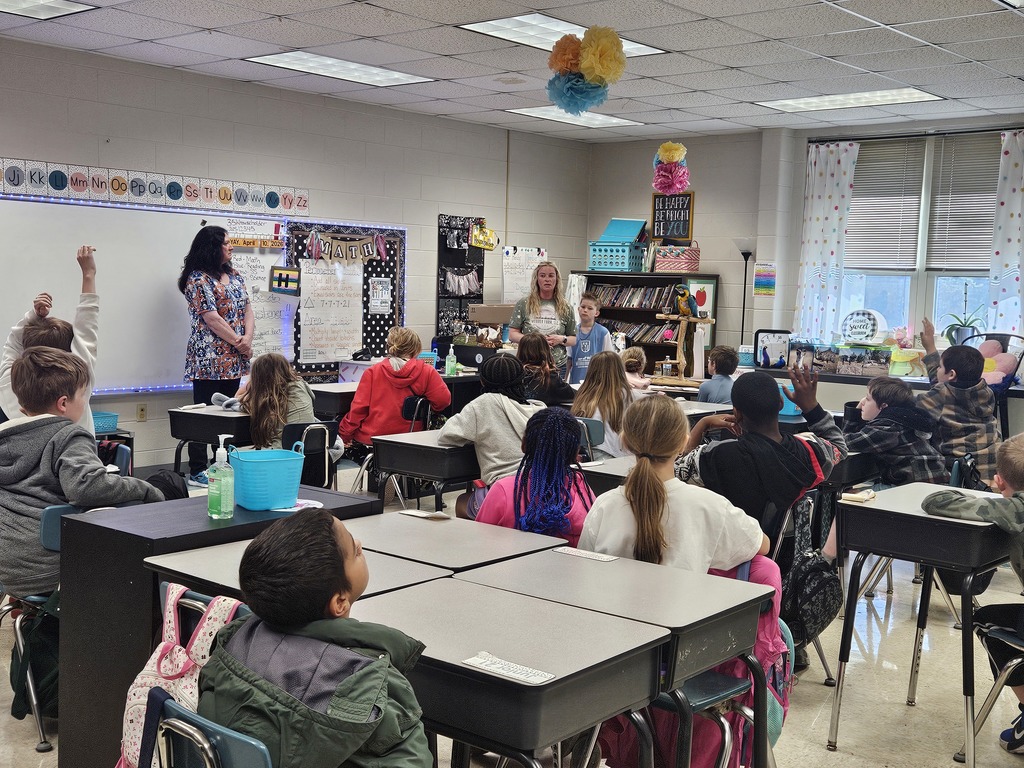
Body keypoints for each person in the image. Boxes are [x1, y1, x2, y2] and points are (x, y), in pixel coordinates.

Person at [198, 508, 431, 768]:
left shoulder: (234, 639)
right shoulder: (372, 682)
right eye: (355, 551)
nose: (361, 546)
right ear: (340, 602)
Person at [0, 347, 164, 597]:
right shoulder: (68, 435)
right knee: (141, 567)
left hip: (9, 570)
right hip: (51, 570)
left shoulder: (6, 440)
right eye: (83, 395)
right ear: (64, 403)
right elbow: (88, 488)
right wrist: (143, 487)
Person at [580, 395, 768, 569]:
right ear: (683, 443)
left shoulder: (604, 506)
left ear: (626, 442)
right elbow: (760, 544)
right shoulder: (711, 506)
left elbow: (584, 567)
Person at [922, 434, 1024, 754]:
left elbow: (936, 502)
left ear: (998, 481)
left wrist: (999, 498)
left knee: (984, 621)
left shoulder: (1015, 510)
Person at [676, 367, 847, 549]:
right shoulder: (807, 452)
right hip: (782, 561)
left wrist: (703, 424)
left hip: (727, 558)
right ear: (781, 403)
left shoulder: (717, 455)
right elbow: (839, 448)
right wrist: (811, 408)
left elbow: (676, 473)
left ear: (737, 413)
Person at [178, 226, 254, 488]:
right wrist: (239, 342)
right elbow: (211, 318)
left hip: (234, 358)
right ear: (213, 247)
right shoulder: (197, 279)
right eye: (227, 243)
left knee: (230, 412)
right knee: (204, 415)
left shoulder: (234, 275)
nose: (231, 247)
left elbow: (247, 309)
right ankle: (198, 469)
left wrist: (248, 340)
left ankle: (223, 464)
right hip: (208, 359)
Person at [1, 245, 99, 434]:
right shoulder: (77, 384)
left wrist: (33, 316)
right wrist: (89, 273)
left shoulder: (10, 384)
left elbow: (12, 343)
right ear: (69, 355)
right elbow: (88, 325)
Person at [438, 354, 544, 519]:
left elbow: (447, 435)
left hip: (503, 492)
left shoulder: (483, 404)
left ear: (482, 381)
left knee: (461, 502)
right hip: (539, 492)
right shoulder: (538, 410)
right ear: (522, 379)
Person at [476, 408, 595, 546]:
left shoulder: (504, 491)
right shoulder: (584, 493)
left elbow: (479, 543)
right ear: (576, 454)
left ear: (523, 445)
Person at [338, 327, 451, 465]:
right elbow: (443, 401)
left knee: (346, 436)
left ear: (389, 346)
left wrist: (345, 435)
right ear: (416, 348)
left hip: (373, 439)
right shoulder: (427, 372)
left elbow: (358, 410)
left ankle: (382, 477)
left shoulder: (372, 372)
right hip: (411, 437)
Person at [917, 316, 1000, 485]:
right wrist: (930, 347)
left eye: (940, 366)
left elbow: (910, 408)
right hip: (992, 466)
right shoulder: (986, 390)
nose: (938, 369)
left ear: (952, 374)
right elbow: (942, 384)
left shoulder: (941, 394)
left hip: (961, 470)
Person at [843, 376, 948, 487]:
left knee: (847, 498)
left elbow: (844, 443)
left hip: (913, 485)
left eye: (868, 399)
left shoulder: (887, 427)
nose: (862, 402)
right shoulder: (903, 417)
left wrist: (854, 414)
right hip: (929, 480)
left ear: (883, 406)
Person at [508, 261, 576, 378]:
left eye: (551, 275)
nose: (547, 279)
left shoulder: (566, 307)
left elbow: (574, 339)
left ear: (557, 279)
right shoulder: (524, 304)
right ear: (537, 279)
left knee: (555, 396)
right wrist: (535, 341)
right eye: (543, 275)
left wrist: (561, 339)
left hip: (557, 365)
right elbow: (512, 334)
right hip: (529, 364)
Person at [237, 352, 315, 449]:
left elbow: (238, 397)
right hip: (310, 448)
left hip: (281, 451)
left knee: (234, 453)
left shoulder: (268, 398)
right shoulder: (300, 386)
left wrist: (256, 378)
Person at [571, 351, 637, 460]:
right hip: (616, 457)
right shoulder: (626, 395)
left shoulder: (583, 394)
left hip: (589, 454)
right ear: (619, 371)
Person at [518, 332, 576, 406]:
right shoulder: (549, 377)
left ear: (520, 350)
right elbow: (576, 396)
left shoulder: (513, 375)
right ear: (546, 350)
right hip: (541, 415)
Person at [567, 292, 611, 385]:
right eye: (583, 307)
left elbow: (609, 361)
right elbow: (568, 360)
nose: (585, 310)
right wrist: (563, 381)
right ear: (578, 309)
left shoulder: (603, 333)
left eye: (590, 308)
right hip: (575, 383)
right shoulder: (572, 333)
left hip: (597, 384)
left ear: (597, 313)